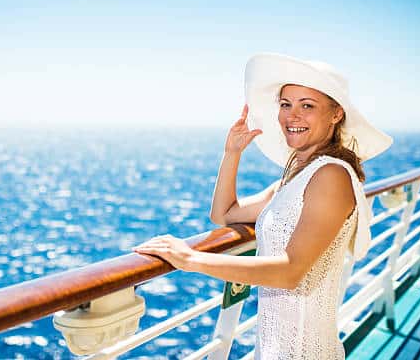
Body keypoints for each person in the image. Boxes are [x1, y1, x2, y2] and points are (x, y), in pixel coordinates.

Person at [133, 53, 393, 359]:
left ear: (336, 114)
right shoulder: (297, 177)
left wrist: (189, 259)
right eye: (286, 104)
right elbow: (224, 214)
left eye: (307, 105)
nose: (292, 115)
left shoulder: (330, 176)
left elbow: (290, 272)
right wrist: (232, 153)